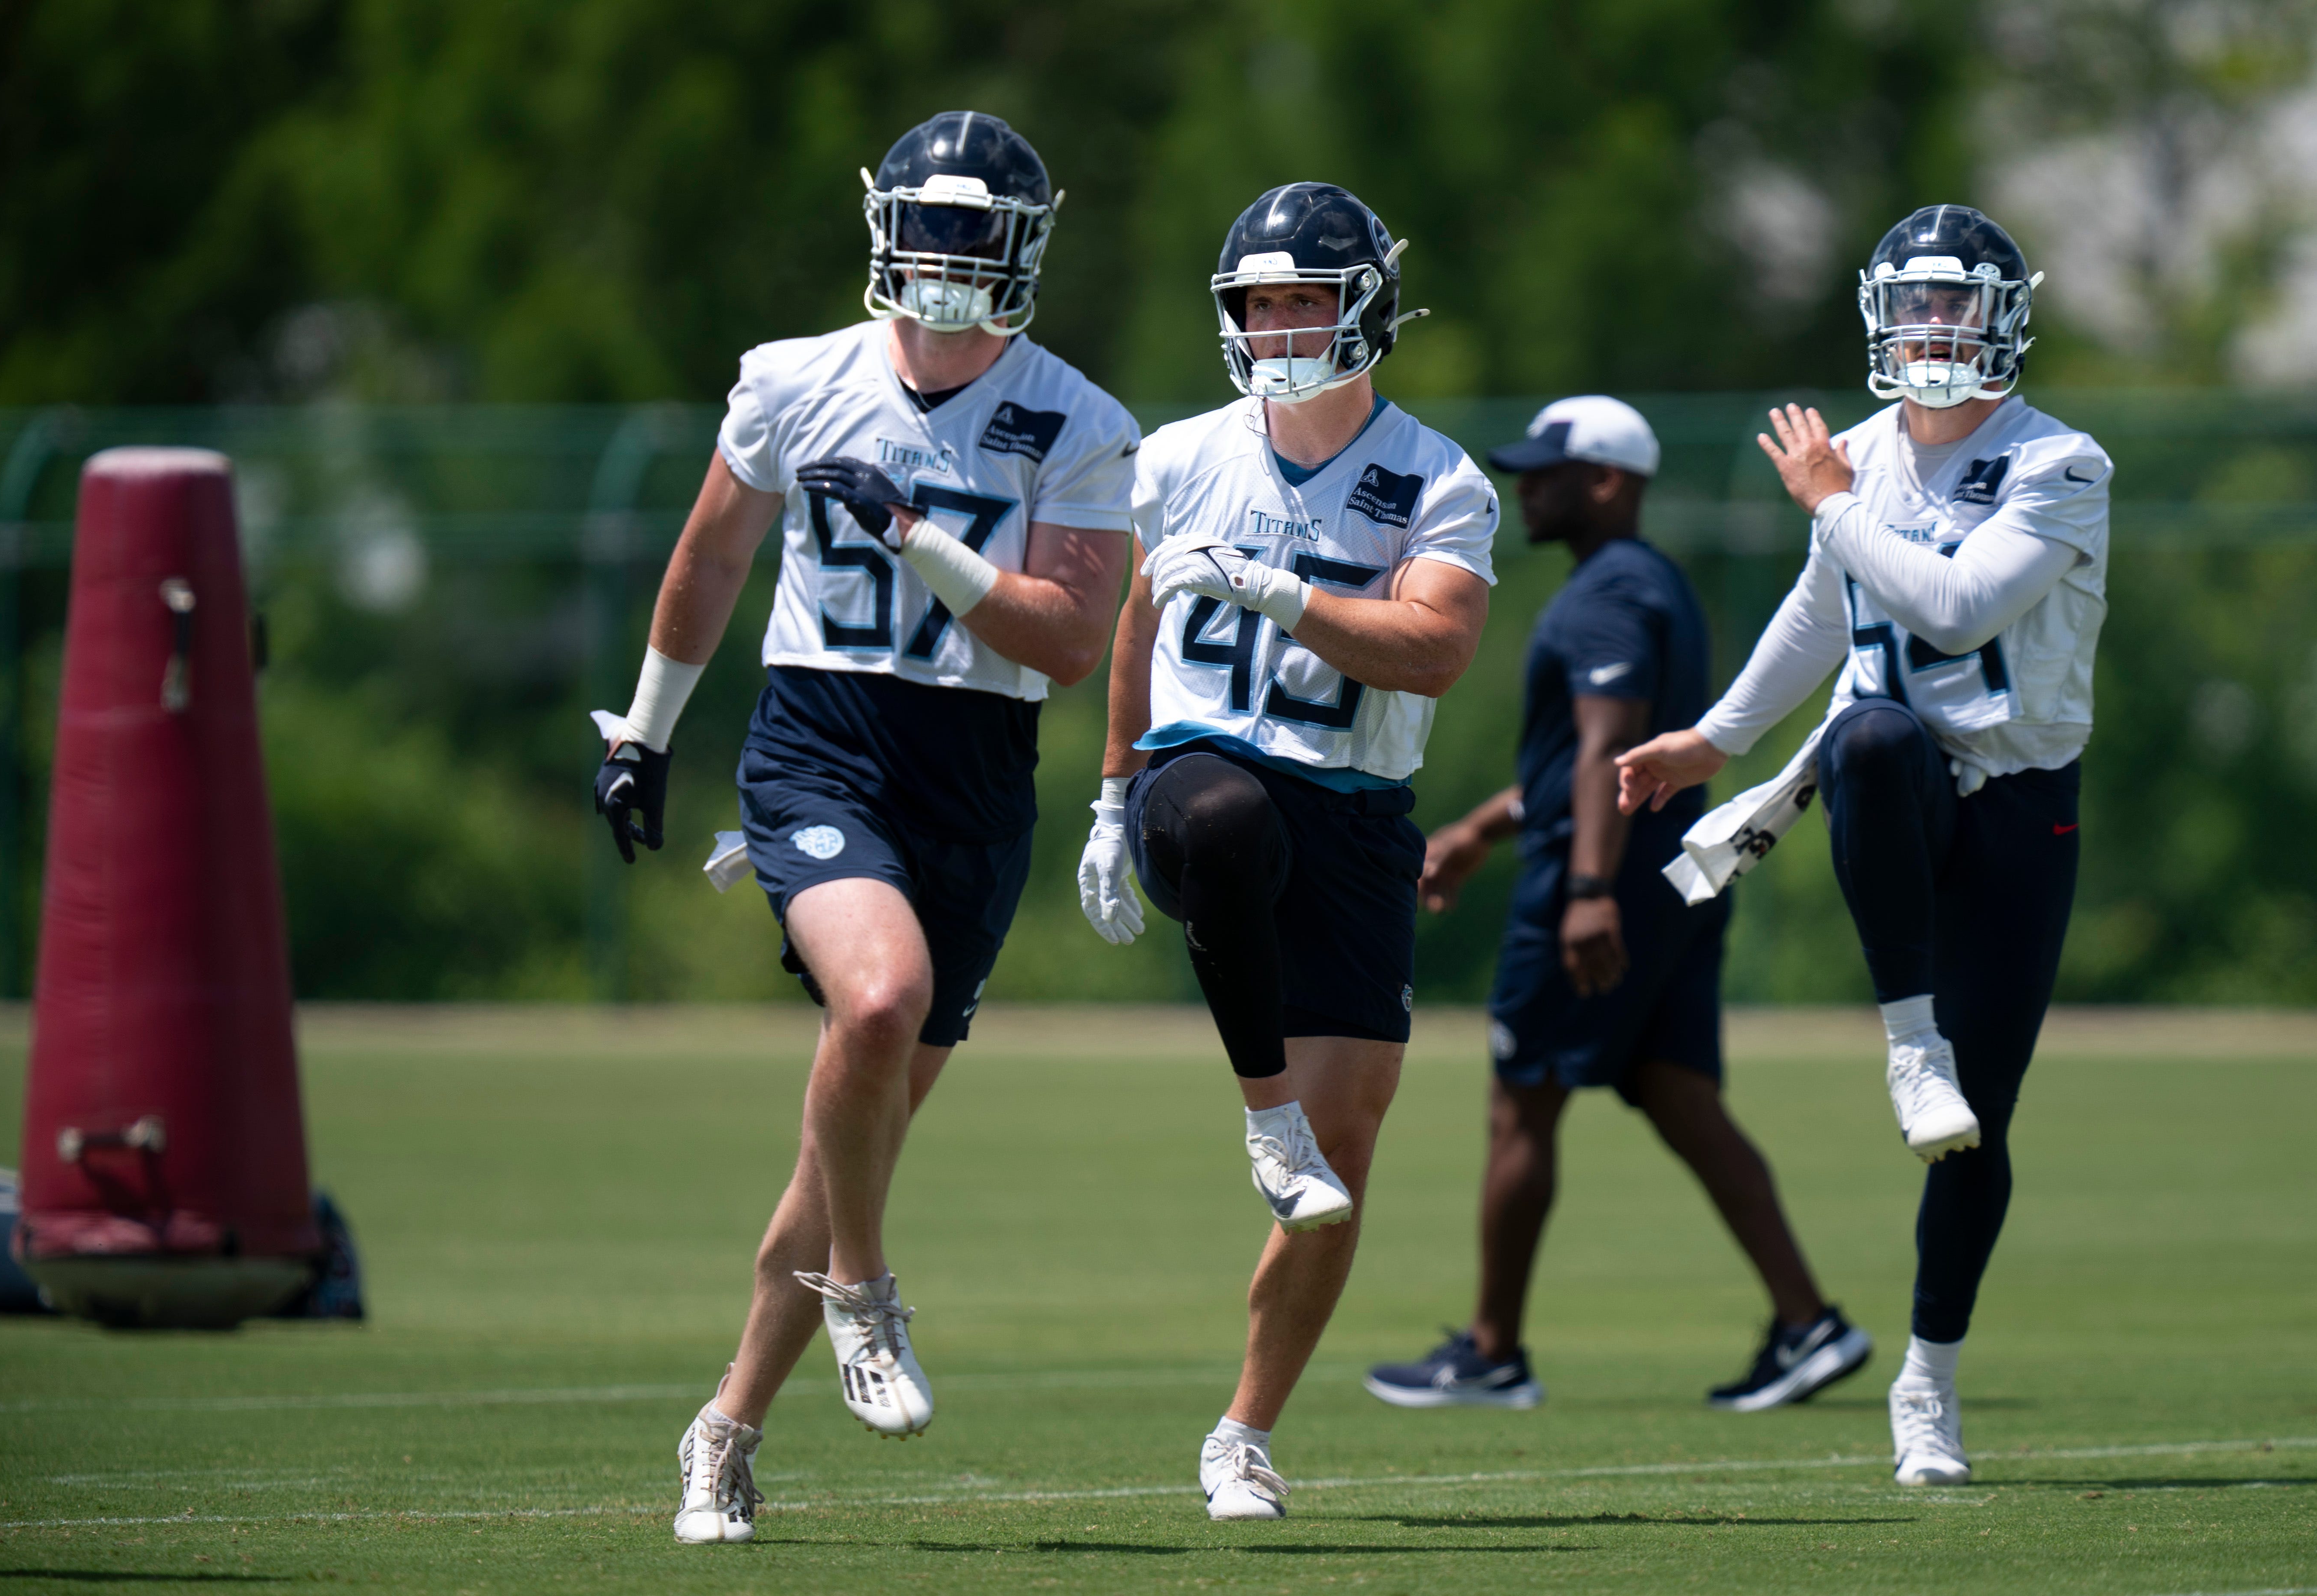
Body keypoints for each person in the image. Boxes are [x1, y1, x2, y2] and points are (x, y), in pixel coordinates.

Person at [590, 111, 1140, 1544]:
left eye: (980, 234)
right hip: (819, 746)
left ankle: (723, 1426)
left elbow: (1072, 639)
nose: (951, 260)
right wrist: (646, 730)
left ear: (1024, 248)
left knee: (850, 1126)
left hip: (971, 776)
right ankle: (870, 1290)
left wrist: (916, 535)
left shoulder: (1077, 420)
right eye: (933, 225)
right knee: (879, 994)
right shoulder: (794, 378)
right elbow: (713, 548)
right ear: (884, 224)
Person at [1616, 205, 2109, 1486]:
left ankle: (1925, 1381)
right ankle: (1906, 1041)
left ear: (2005, 318)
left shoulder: (2060, 462)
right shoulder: (1858, 457)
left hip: (2014, 802)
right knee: (1872, 740)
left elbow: (1954, 609)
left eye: (1954, 305)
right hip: (1898, 786)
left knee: (1977, 1131)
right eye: (1912, 305)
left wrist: (1832, 503)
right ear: (1875, 315)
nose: (1930, 328)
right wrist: (1714, 740)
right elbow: (1818, 610)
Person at [1078, 182, 1498, 1520]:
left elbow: (1433, 649)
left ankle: (1241, 1432)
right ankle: (1260, 1110)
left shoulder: (1436, 477)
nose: (1275, 326)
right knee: (1219, 817)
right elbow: (1140, 624)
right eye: (1256, 303)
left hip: (1357, 815)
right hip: (1205, 777)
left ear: (1364, 305)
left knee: (1342, 1161)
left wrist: (1282, 591)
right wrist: (1107, 793)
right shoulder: (1181, 453)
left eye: (1303, 299)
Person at [1362, 397, 1870, 1416]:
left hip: (1598, 887)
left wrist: (1587, 890)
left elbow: (1603, 751)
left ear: (1607, 481)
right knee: (1681, 1098)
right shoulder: (1655, 586)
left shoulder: (1607, 593)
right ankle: (1807, 1320)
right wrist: (1479, 827)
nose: (1525, 486)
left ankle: (1494, 1350)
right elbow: (1594, 760)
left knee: (1521, 1102)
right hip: (1674, 879)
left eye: (1547, 470)